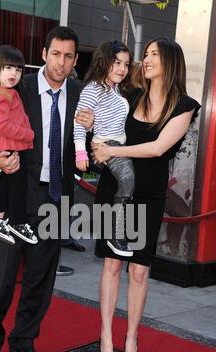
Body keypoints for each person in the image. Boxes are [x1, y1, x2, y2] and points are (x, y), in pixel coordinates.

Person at [0, 26, 94, 352]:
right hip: (12, 197)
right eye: (55, 54)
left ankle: (24, 340)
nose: (61, 62)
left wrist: (93, 130)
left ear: (75, 60)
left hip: (55, 198)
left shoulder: (80, 93)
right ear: (44, 54)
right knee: (0, 278)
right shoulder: (16, 86)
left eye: (69, 56)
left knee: (41, 279)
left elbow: (86, 145)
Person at [91, 38, 201, 352]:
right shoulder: (128, 96)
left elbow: (157, 148)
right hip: (116, 189)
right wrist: (94, 138)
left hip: (149, 195)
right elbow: (105, 129)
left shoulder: (185, 105)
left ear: (170, 61)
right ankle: (106, 336)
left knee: (139, 270)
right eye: (146, 54)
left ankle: (132, 336)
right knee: (112, 265)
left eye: (154, 54)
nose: (146, 59)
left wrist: (113, 151)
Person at [74, 40, 135, 257]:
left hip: (119, 145)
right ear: (104, 61)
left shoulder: (116, 89)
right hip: (106, 145)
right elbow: (79, 121)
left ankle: (118, 233)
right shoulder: (94, 88)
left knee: (129, 184)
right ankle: (115, 234)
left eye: (126, 64)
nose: (122, 69)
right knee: (128, 181)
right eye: (117, 62)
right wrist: (80, 152)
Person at [0, 45, 37, 245]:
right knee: (13, 185)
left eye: (18, 69)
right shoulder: (3, 94)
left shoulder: (4, 92)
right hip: (7, 144)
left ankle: (2, 220)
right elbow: (2, 125)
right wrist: (28, 134)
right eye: (8, 67)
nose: (14, 73)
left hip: (6, 143)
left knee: (8, 184)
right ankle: (9, 221)